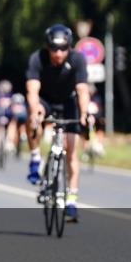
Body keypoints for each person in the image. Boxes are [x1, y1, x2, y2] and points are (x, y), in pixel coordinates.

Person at [25, 24, 90, 222]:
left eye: (63, 49)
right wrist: (36, 110)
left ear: (69, 47)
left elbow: (82, 90)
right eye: (54, 49)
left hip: (69, 101)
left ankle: (71, 200)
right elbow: (33, 91)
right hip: (45, 99)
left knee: (71, 150)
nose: (58, 53)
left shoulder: (77, 59)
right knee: (33, 116)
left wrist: (85, 113)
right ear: (47, 47)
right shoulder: (38, 58)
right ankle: (35, 157)